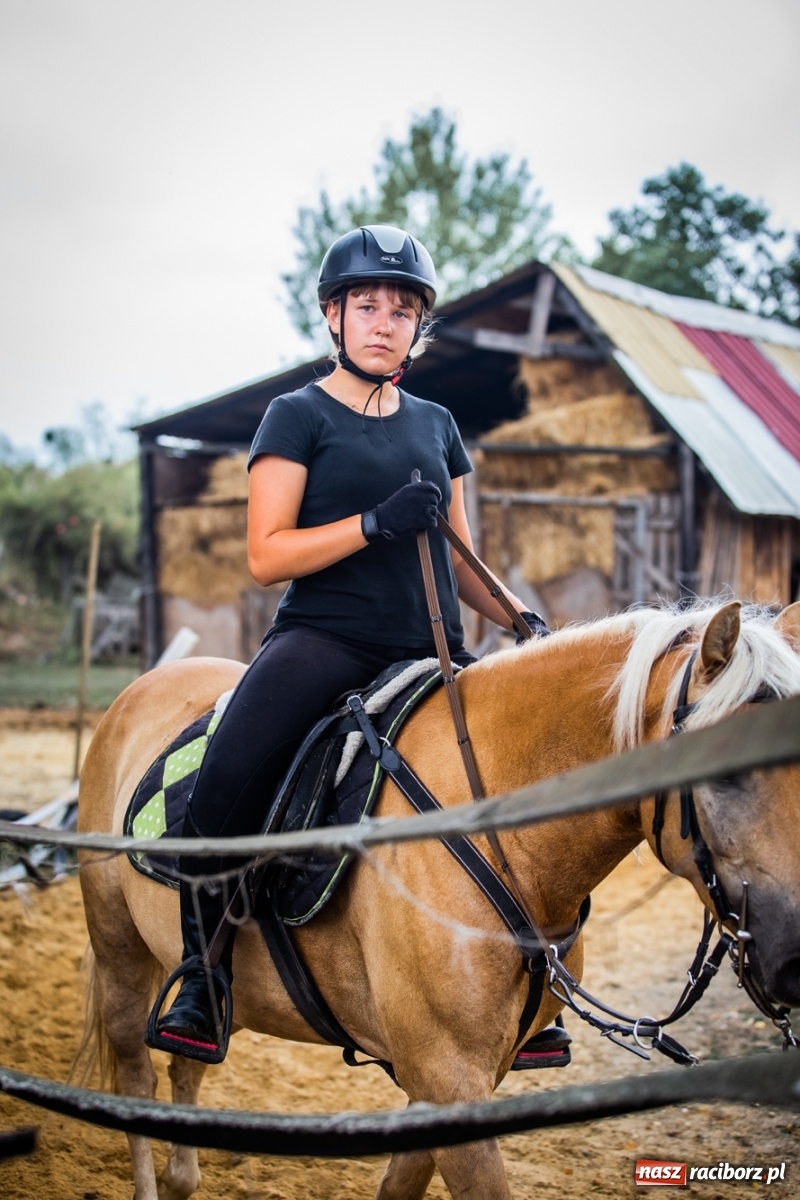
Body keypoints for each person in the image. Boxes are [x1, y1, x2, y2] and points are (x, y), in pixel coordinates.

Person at [146, 224, 558, 1067]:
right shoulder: (294, 416)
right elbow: (267, 554)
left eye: (402, 310)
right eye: (366, 305)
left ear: (418, 327)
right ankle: (204, 973)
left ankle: (539, 987)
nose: (384, 321)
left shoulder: (439, 425)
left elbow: (459, 554)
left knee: (529, 794)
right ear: (334, 316)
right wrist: (371, 523)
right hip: (326, 640)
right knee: (224, 779)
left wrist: (520, 619)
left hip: (429, 651)